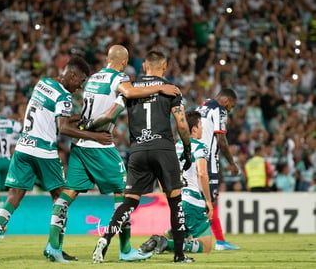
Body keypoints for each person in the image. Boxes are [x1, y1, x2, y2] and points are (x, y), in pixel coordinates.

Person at [46, 46, 181, 263]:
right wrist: (159, 89)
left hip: (80, 144)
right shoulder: (119, 77)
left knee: (67, 194)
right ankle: (125, 249)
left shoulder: (92, 79)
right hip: (99, 145)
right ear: (124, 61)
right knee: (125, 194)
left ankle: (53, 246)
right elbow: (128, 92)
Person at [0, 56, 113, 262]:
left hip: (24, 147)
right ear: (72, 74)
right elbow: (64, 128)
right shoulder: (64, 97)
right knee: (62, 198)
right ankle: (55, 248)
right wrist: (97, 136)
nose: (80, 87)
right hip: (44, 152)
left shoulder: (42, 83)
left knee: (14, 197)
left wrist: (84, 119)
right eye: (81, 81)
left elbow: (50, 116)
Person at [90, 50, 193, 263]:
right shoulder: (170, 89)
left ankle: (105, 240)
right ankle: (179, 256)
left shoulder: (129, 88)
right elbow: (182, 124)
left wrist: (89, 125)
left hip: (138, 151)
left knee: (129, 202)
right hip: (163, 149)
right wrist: (187, 148)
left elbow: (110, 114)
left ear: (144, 66)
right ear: (164, 67)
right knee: (175, 201)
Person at [139, 111, 213, 255]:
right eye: (201, 125)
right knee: (206, 246)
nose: (202, 129)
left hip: (179, 198)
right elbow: (202, 174)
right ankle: (166, 242)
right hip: (194, 201)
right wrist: (209, 201)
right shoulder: (199, 147)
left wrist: (168, 195)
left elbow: (162, 173)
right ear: (195, 128)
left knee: (183, 233)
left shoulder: (174, 147)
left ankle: (167, 237)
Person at [196, 89, 240, 250]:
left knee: (200, 200)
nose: (230, 109)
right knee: (209, 202)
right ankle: (187, 237)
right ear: (227, 100)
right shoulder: (219, 109)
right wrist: (232, 163)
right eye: (231, 106)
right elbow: (221, 138)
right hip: (208, 161)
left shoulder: (202, 106)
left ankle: (220, 240)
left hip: (195, 157)